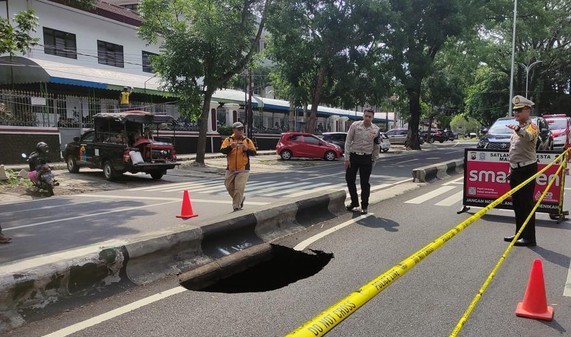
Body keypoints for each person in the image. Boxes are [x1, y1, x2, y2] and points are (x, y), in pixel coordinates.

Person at [504, 95, 538, 247]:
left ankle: (529, 238)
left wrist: (519, 129)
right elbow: (514, 150)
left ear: (527, 110)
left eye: (519, 110)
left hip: (527, 169)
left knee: (526, 204)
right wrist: (510, 167)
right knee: (517, 204)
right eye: (514, 110)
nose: (516, 113)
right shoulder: (517, 129)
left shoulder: (531, 126)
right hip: (516, 170)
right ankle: (520, 234)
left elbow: (529, 137)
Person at [344, 108, 381, 215]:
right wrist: (347, 158)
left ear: (372, 118)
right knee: (350, 179)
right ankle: (354, 202)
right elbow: (348, 141)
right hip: (354, 157)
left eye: (370, 116)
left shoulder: (376, 129)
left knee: (365, 183)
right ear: (363, 116)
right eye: (366, 116)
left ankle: (364, 206)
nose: (367, 118)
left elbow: (376, 146)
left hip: (366, 158)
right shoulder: (355, 125)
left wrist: (374, 159)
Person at [220, 122, 257, 211]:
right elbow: (222, 150)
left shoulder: (247, 141)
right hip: (231, 168)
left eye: (242, 129)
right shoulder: (228, 140)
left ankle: (236, 207)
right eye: (238, 129)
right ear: (234, 130)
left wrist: (246, 149)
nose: (241, 131)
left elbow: (254, 152)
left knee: (238, 188)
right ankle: (240, 199)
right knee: (228, 186)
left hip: (243, 169)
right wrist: (230, 147)